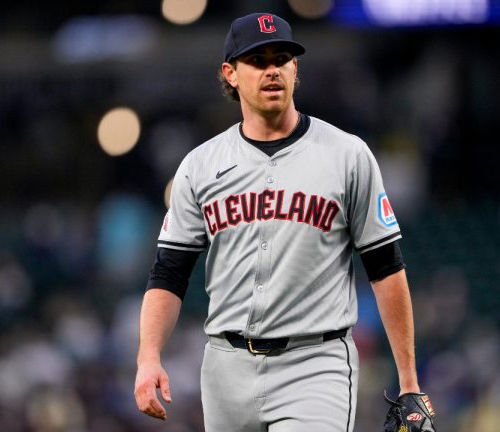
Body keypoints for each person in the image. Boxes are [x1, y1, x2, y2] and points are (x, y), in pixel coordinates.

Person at [134, 12, 432, 431]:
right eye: (257, 60)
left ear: (295, 69)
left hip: (315, 364)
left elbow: (386, 268)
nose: (272, 69)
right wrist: (148, 357)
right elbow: (169, 272)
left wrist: (408, 382)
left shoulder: (346, 155)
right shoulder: (199, 166)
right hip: (225, 367)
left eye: (282, 58)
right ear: (230, 74)